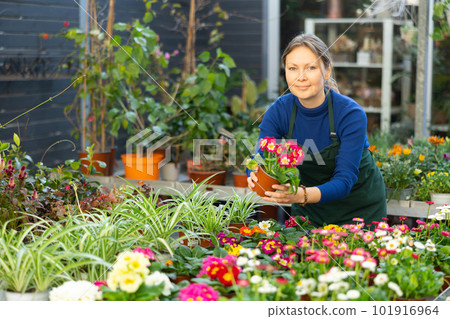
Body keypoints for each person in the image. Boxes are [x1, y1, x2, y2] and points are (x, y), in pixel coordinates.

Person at [247, 33, 387, 227]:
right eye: (293, 68)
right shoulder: (279, 111)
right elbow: (259, 158)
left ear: (327, 71)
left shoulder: (350, 113)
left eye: (310, 68)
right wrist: (253, 174)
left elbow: (345, 180)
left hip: (358, 209)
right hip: (308, 210)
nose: (301, 77)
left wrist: (300, 195)